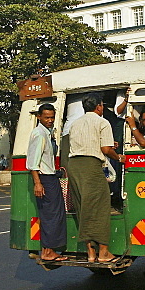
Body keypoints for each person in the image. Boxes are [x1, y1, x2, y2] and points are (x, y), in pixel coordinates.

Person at [67, 94, 120, 263]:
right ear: (98, 107)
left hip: (74, 166)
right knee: (101, 207)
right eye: (102, 105)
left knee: (83, 207)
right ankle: (103, 253)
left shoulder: (75, 124)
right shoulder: (102, 122)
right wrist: (118, 157)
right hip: (91, 166)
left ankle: (90, 253)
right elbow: (105, 149)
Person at [26, 103, 67, 262]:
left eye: (52, 117)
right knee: (51, 215)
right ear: (39, 117)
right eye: (46, 117)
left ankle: (48, 249)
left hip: (50, 177)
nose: (50, 120)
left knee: (53, 214)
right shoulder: (39, 134)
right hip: (45, 179)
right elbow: (33, 163)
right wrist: (38, 183)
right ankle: (48, 251)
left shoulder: (47, 133)